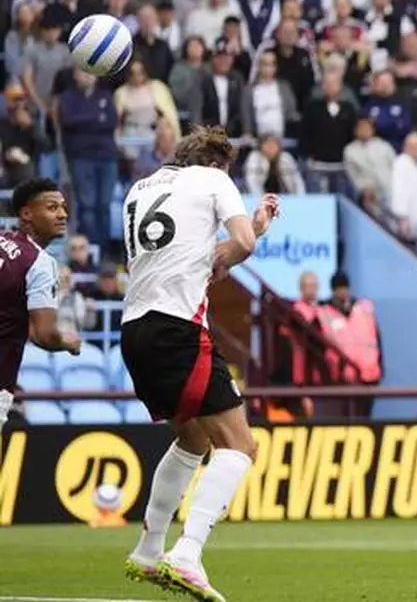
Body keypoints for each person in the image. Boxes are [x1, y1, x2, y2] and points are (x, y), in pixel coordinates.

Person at [119, 125, 280, 602]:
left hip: (135, 330)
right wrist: (255, 231)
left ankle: (149, 550)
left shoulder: (140, 189)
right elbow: (241, 244)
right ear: (215, 163)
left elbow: (200, 263)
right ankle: (187, 553)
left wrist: (240, 244)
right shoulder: (212, 180)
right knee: (240, 447)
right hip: (178, 330)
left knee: (191, 438)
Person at [0, 179, 81, 428]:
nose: (63, 215)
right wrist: (68, 341)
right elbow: (42, 335)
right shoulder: (40, 263)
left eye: (63, 207)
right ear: (26, 213)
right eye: (52, 207)